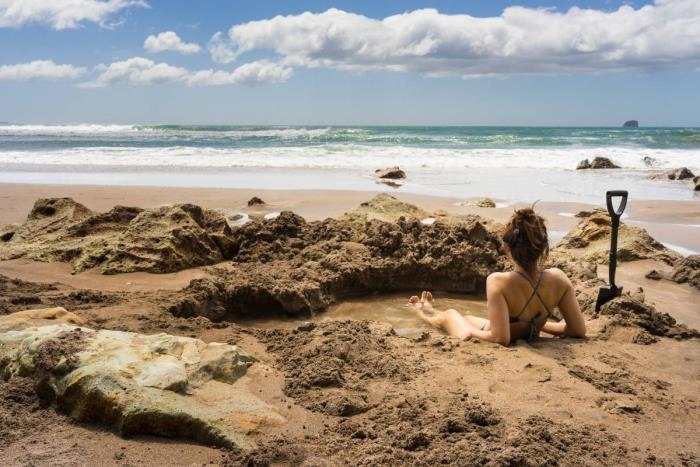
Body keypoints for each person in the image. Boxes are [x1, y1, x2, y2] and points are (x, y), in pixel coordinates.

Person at [409, 207, 586, 346]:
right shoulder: (559, 278)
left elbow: (501, 338)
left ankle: (421, 312)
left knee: (450, 315)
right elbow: (578, 330)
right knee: (469, 319)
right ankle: (432, 309)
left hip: (501, 333)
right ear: (543, 246)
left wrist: (471, 333)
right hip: (522, 330)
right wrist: (538, 323)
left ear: (506, 248)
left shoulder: (498, 281)